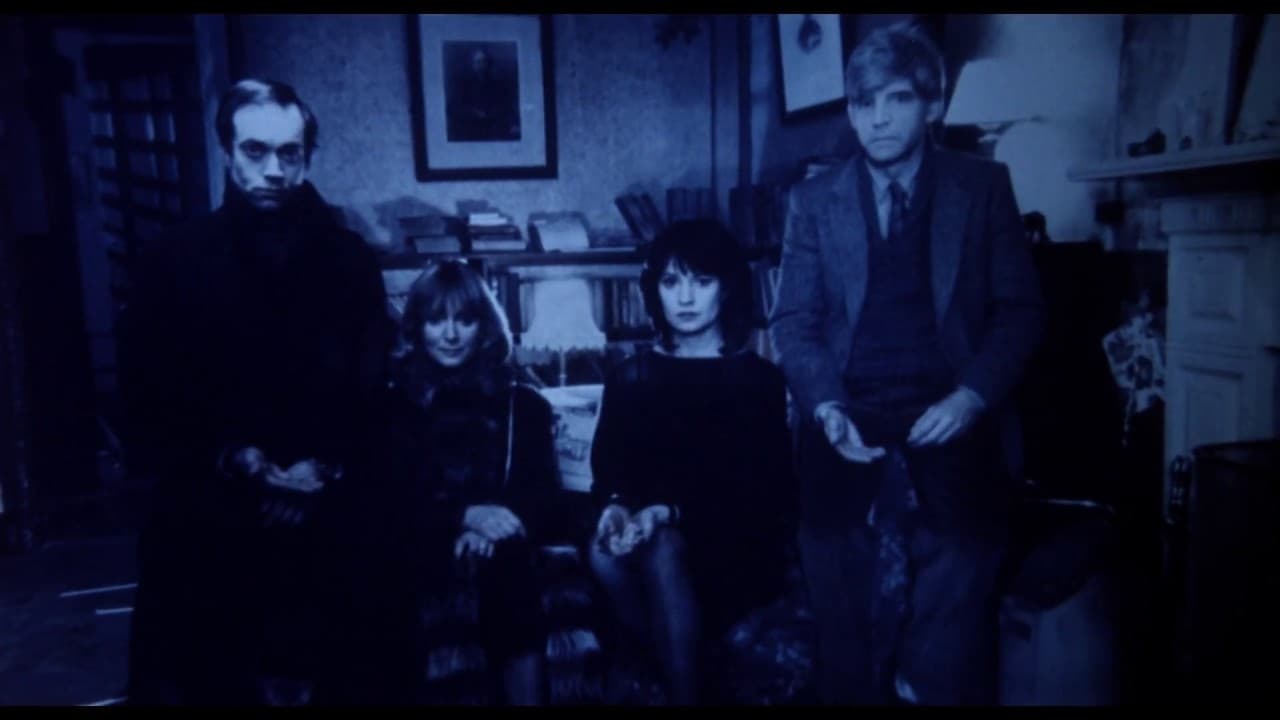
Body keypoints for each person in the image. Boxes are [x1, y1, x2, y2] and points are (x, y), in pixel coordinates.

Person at [768, 23, 1046, 705]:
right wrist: (825, 406)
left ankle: (920, 680)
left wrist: (970, 398)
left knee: (969, 538)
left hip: (947, 399)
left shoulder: (983, 185)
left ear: (933, 104)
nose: (879, 118)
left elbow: (1020, 312)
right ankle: (853, 690)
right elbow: (793, 323)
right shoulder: (814, 200)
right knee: (828, 542)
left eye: (897, 99)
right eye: (864, 103)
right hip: (848, 398)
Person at [117, 78, 394, 704]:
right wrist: (237, 459)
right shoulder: (173, 260)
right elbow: (145, 397)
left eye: (289, 153)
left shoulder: (349, 260)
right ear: (226, 151)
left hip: (329, 495)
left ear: (308, 157)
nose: (273, 169)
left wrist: (321, 466)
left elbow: (370, 389)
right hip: (212, 498)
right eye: (255, 151)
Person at [587, 219, 797, 704]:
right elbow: (609, 473)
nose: (684, 298)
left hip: (733, 544)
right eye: (670, 281)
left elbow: (767, 492)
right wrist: (615, 508)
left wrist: (668, 513)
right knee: (602, 552)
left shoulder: (759, 380)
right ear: (654, 290)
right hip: (649, 538)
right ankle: (686, 664)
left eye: (701, 282)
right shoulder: (629, 376)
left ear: (727, 288)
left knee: (663, 549)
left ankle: (682, 685)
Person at [349, 259, 565, 705]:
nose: (450, 334)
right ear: (417, 327)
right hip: (417, 542)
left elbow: (542, 494)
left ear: (483, 327)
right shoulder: (392, 407)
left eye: (464, 320)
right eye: (436, 320)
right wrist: (462, 518)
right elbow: (386, 499)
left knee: (510, 577)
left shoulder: (523, 404)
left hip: (506, 545)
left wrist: (494, 527)